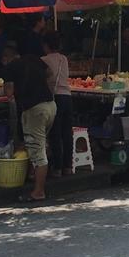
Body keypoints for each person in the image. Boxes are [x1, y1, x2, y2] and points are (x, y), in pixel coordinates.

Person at [1, 46, 56, 201]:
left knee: (38, 152)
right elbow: (50, 73)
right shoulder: (33, 58)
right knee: (41, 144)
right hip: (50, 105)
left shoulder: (10, 68)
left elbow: (9, 93)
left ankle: (39, 191)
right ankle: (34, 175)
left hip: (34, 109)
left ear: (6, 58)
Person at [42, 32, 74, 176]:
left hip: (55, 97)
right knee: (67, 133)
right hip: (67, 96)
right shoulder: (64, 59)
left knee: (55, 133)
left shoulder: (43, 60)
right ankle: (68, 166)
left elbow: (46, 78)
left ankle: (57, 168)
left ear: (46, 46)